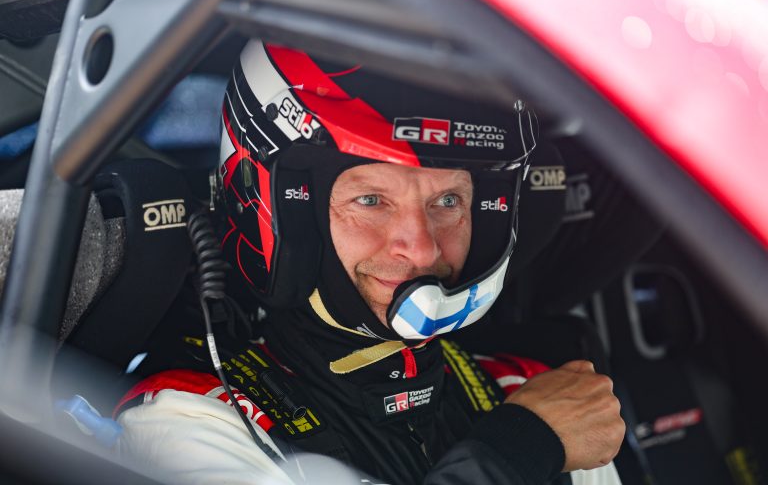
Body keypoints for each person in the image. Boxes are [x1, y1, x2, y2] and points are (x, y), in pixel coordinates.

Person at [114, 40, 624, 485]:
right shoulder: (189, 420)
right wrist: (517, 450)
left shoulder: (530, 391)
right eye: (371, 201)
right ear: (289, 213)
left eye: (448, 201)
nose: (421, 249)